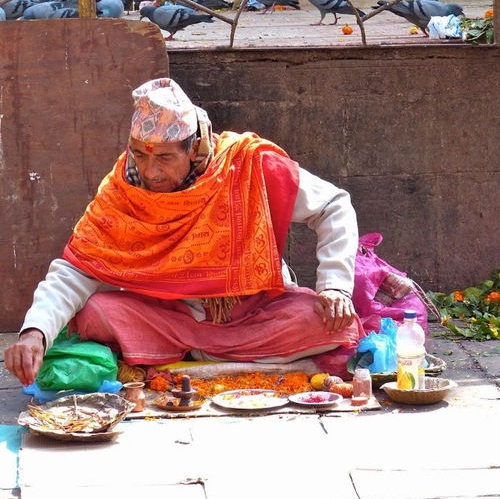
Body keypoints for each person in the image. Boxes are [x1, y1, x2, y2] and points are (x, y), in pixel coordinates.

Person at [5, 78, 364, 387]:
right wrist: (34, 331)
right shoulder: (123, 189)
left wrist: (333, 285)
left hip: (255, 314)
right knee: (93, 312)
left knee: (330, 323)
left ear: (193, 149)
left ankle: (184, 356)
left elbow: (334, 205)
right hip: (172, 318)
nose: (150, 172)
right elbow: (76, 269)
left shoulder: (247, 165)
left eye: (164, 158)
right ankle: (232, 355)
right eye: (141, 157)